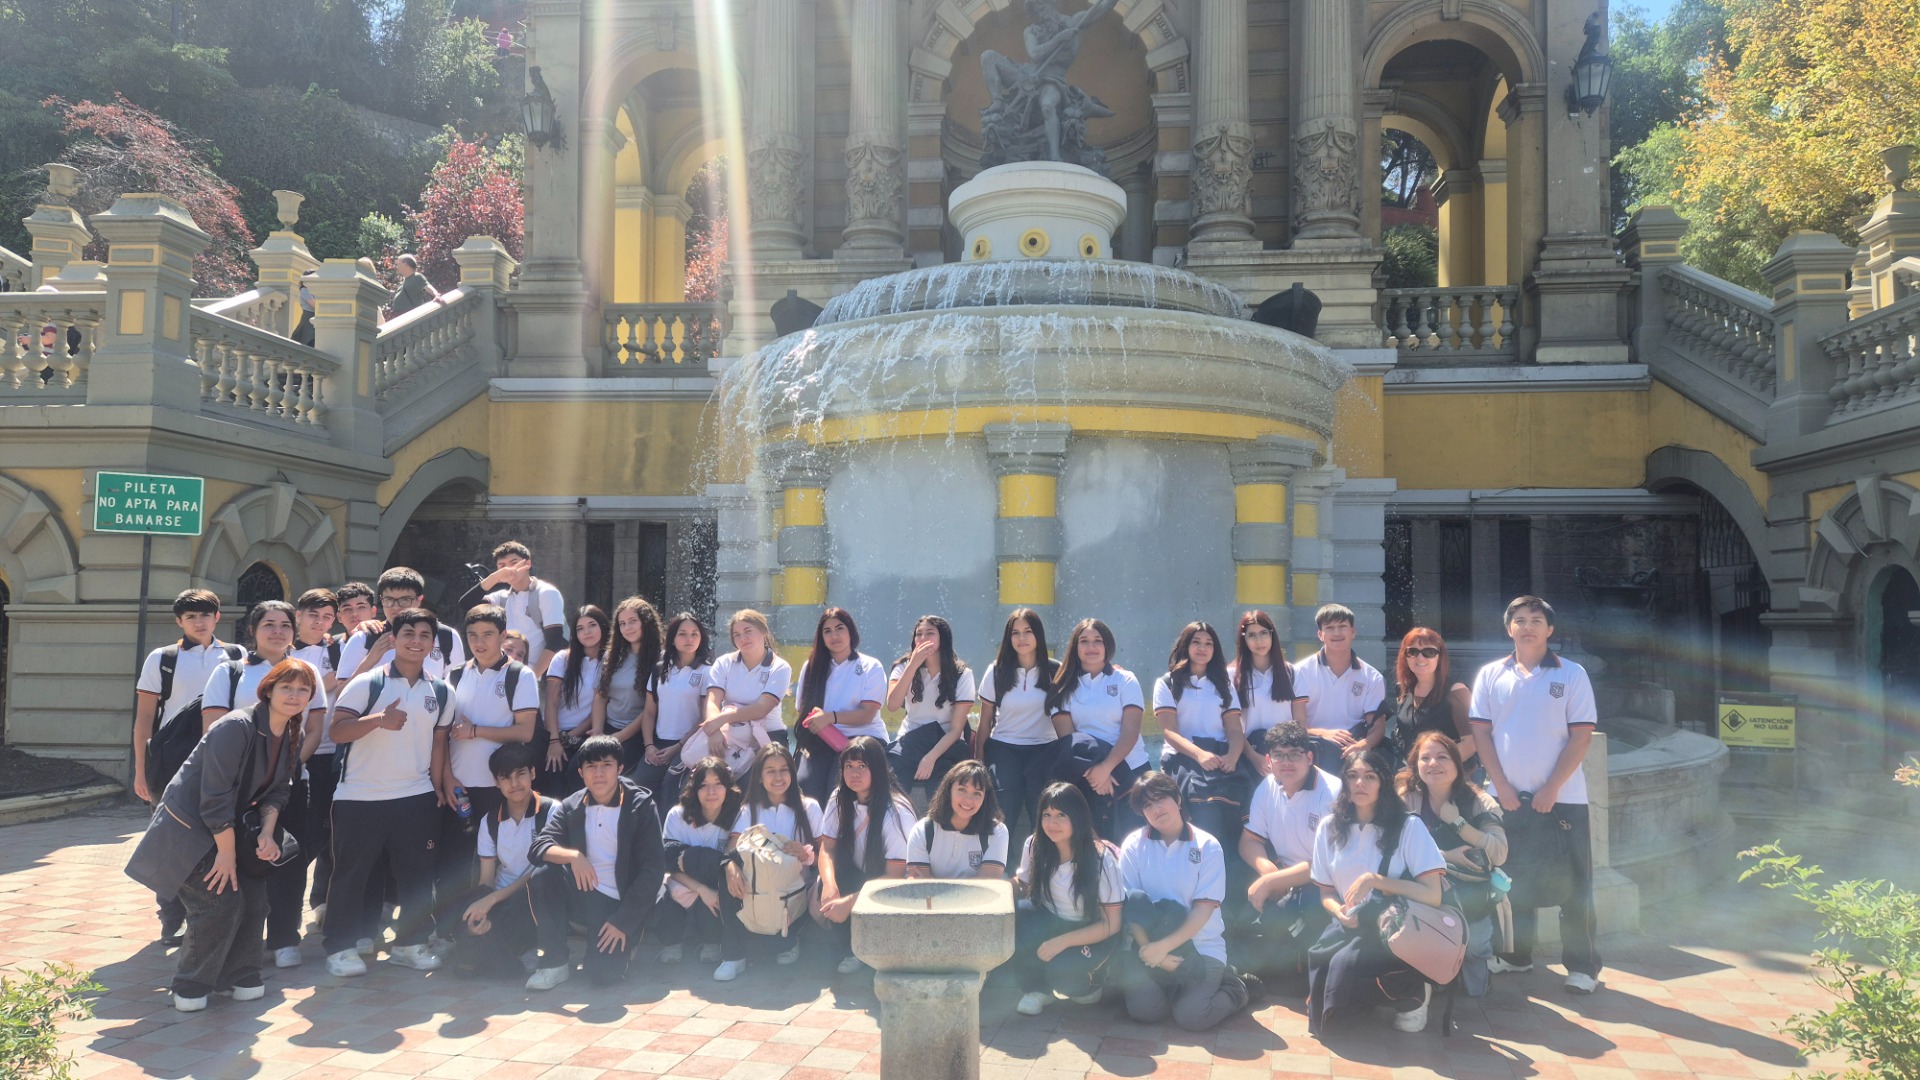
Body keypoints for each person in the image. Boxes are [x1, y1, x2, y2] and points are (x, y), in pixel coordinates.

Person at [126, 659, 315, 1011]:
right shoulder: (236, 726)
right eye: (286, 687)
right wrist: (226, 856)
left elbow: (278, 791)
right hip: (192, 830)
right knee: (219, 899)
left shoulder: (292, 731)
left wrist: (268, 835)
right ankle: (191, 983)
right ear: (268, 690)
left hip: (232, 829)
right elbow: (215, 797)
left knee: (255, 897)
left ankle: (239, 974)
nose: (294, 695)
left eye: (303, 689)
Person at [1469, 595, 1601, 994]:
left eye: (1536, 620)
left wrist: (1552, 787)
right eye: (1520, 620)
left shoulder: (1572, 674)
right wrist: (1502, 786)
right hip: (1504, 797)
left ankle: (1582, 966)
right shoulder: (1492, 674)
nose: (1527, 626)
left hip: (1564, 799)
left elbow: (1581, 736)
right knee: (1509, 881)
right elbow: (1481, 734)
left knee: (1575, 884)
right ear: (1508, 628)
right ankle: (1514, 955)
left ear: (1550, 629)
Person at [322, 608, 456, 977]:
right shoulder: (367, 683)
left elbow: (439, 743)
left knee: (417, 875)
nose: (416, 640)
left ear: (433, 644)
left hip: (415, 797)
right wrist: (379, 720)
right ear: (393, 639)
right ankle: (340, 949)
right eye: (408, 633)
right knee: (352, 875)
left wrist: (441, 785)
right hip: (359, 797)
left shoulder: (442, 691)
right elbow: (337, 731)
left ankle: (409, 944)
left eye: (424, 635)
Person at [203, 601, 328, 970]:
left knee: (289, 859)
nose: (278, 632)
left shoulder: (309, 672)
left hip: (289, 785)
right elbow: (212, 728)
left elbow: (315, 728)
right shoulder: (230, 673)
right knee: (237, 861)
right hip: (238, 789)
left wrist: (287, 769)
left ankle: (284, 937)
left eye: (285, 625)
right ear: (253, 630)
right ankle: (237, 938)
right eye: (269, 624)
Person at [1306, 746, 1448, 1036]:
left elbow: (1433, 894)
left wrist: (1376, 880)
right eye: (1353, 776)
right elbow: (1326, 893)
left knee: (1347, 967)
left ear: (1383, 781)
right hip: (1350, 923)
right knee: (1325, 976)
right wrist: (1340, 913)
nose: (1360, 783)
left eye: (1370, 776)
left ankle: (1414, 994)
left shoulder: (1408, 826)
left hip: (1395, 928)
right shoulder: (1329, 827)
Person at [132, 589, 245, 943]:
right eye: (191, 616)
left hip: (224, 758)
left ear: (218, 617)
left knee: (219, 835)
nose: (199, 621)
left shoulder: (236, 656)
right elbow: (145, 719)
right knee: (169, 840)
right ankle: (171, 914)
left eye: (206, 614)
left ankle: (214, 912)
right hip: (170, 761)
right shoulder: (162, 659)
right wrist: (140, 770)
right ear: (179, 621)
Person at [1115, 772, 1258, 1030]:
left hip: (1198, 948)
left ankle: (1237, 987)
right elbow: (1132, 906)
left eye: (1161, 799)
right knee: (1145, 1012)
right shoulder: (1133, 845)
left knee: (1192, 1018)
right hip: (1146, 947)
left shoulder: (1207, 846)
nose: (1156, 808)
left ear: (1177, 799)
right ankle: (1175, 993)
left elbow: (1203, 911)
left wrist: (1164, 948)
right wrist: (1153, 952)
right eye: (1147, 805)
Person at [524, 735, 668, 989]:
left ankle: (625, 942)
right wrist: (574, 856)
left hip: (621, 902)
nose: (599, 773)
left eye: (606, 765)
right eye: (591, 767)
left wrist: (624, 920)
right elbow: (538, 848)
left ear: (620, 769)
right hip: (585, 891)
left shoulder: (640, 805)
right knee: (543, 874)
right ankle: (554, 963)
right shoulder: (572, 805)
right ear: (581, 772)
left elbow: (653, 870)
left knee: (602, 975)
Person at [435, 605, 541, 945]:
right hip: (459, 788)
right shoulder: (453, 675)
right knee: (451, 865)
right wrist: (448, 778)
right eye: (472, 636)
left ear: (502, 635)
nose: (479, 643)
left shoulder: (518, 675)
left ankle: (497, 932)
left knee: (493, 866)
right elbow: (442, 735)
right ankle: (450, 932)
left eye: (488, 635)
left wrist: (477, 730)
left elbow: (525, 731)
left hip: (501, 790)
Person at [1400, 731, 1507, 998]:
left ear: (1457, 764)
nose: (1433, 763)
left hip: (1469, 891)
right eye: (1425, 758)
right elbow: (1393, 846)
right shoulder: (1406, 798)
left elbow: (1499, 852)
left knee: (1473, 956)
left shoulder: (1478, 800)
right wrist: (1446, 856)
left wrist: (1458, 822)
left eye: (1442, 757)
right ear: (1416, 766)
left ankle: (1474, 968)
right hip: (1423, 887)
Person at [1239, 722, 1342, 978]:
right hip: (1283, 874)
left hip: (1327, 882)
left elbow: (1326, 862)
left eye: (1294, 754)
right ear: (1268, 759)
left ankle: (1317, 977)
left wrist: (1274, 881)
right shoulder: (1267, 787)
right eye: (1279, 755)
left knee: (1311, 909)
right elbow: (1248, 842)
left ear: (1309, 757)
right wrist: (1269, 872)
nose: (1286, 762)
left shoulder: (1332, 791)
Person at [1011, 782, 1123, 1016]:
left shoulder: (1101, 858)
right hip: (1052, 919)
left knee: (1064, 977)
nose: (1052, 823)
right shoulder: (1034, 845)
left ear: (1078, 817)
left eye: (1061, 815)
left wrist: (1061, 942)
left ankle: (1091, 983)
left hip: (1091, 930)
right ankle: (1037, 990)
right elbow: (1021, 884)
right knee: (1019, 910)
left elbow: (1111, 923)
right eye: (1047, 814)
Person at [714, 743, 822, 980]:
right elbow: (733, 847)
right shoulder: (749, 810)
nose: (778, 777)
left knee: (778, 953)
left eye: (784, 770)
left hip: (793, 892)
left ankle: (791, 939)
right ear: (760, 777)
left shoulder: (809, 808)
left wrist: (805, 855)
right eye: (770, 771)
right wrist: (730, 866)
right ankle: (733, 956)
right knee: (726, 872)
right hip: (756, 892)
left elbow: (824, 852)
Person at [446, 743, 552, 979]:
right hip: (501, 900)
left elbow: (542, 872)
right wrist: (481, 909)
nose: (514, 784)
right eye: (506, 778)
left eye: (520, 774)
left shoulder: (552, 810)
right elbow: (486, 880)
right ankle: (485, 943)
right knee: (466, 904)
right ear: (496, 782)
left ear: (532, 774)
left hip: (537, 898)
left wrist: (491, 900)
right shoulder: (490, 821)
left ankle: (479, 955)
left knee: (539, 883)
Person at [814, 737, 915, 974]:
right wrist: (829, 886)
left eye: (862, 767)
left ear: (877, 769)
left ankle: (866, 950)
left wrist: (848, 903)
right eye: (849, 766)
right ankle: (849, 948)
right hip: (856, 875)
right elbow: (827, 848)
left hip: (888, 885)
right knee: (828, 881)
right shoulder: (840, 797)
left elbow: (895, 877)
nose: (854, 773)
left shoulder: (897, 812)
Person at [1045, 618, 1146, 840]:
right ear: (1075, 646)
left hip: (1130, 769)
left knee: (1131, 841)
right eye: (1084, 641)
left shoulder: (1125, 680)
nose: (1091, 647)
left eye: (1097, 641)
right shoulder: (1062, 687)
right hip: (1087, 772)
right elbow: (1069, 740)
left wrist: (1107, 768)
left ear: (1107, 645)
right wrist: (1095, 772)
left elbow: (1130, 732)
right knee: (1095, 843)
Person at [1152, 621, 1249, 847]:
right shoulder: (1167, 682)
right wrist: (1199, 755)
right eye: (1196, 642)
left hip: (1220, 757)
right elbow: (1169, 731)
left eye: (1208, 643)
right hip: (1182, 757)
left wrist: (1232, 757)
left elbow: (1235, 729)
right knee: (1201, 810)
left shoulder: (1223, 684)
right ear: (1185, 646)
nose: (1202, 648)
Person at [974, 608, 1066, 839]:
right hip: (1004, 746)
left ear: (1038, 635)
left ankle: (1041, 865)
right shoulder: (996, 671)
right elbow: (985, 721)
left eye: (1028, 631)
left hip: (1044, 748)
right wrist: (978, 763)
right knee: (1004, 802)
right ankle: (1000, 865)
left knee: (1042, 801)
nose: (1022, 638)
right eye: (1016, 633)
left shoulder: (1056, 670)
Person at [290, 588, 345, 932]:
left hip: (331, 752)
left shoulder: (339, 649)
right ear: (298, 616)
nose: (319, 622)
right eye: (313, 615)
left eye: (326, 616)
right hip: (292, 755)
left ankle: (322, 901)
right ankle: (283, 906)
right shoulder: (283, 649)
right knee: (301, 834)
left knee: (332, 831)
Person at [793, 607, 889, 803]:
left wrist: (830, 717)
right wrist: (817, 719)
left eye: (839, 629)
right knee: (805, 785)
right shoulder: (811, 667)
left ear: (851, 632)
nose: (834, 636)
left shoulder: (871, 666)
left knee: (836, 787)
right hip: (822, 738)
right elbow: (801, 711)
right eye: (827, 631)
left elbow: (867, 714)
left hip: (862, 738)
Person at [653, 757, 740, 965]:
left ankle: (712, 941)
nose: (711, 792)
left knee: (718, 888)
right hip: (683, 880)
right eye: (704, 786)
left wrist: (708, 889)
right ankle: (671, 942)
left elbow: (731, 861)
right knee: (661, 893)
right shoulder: (677, 815)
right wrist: (700, 889)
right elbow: (669, 862)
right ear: (694, 788)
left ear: (727, 786)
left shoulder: (738, 814)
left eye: (718, 784)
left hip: (715, 880)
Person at [885, 615, 976, 802]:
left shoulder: (962, 674)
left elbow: (956, 729)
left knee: (943, 787)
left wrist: (930, 757)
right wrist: (914, 664)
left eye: (930, 633)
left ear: (943, 638)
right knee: (892, 780)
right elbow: (893, 705)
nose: (923, 638)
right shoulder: (903, 667)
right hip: (910, 739)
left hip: (945, 743)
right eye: (919, 634)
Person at [1291, 604, 1387, 773]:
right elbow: (1296, 725)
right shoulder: (1300, 672)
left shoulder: (1372, 677)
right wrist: (1324, 734)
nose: (1336, 633)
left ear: (1353, 632)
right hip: (1312, 746)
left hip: (1354, 746)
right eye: (1329, 628)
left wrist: (1363, 745)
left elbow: (1377, 727)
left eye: (1342, 626)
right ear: (1320, 634)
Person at [698, 610, 792, 776]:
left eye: (748, 631)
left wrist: (724, 718)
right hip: (731, 733)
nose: (743, 638)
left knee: (753, 784)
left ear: (764, 631)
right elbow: (712, 701)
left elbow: (761, 709)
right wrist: (714, 730)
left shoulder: (780, 667)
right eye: (737, 635)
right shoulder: (724, 662)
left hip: (768, 736)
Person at [336, 567, 466, 683]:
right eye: (389, 600)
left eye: (405, 600)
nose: (396, 607)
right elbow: (340, 695)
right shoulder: (364, 638)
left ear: (419, 600)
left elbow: (457, 688)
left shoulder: (446, 637)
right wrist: (369, 661)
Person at [463, 541, 567, 676]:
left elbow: (555, 642)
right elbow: (466, 605)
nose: (509, 570)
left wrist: (532, 678)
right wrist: (494, 578)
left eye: (514, 563)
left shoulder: (546, 593)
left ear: (527, 564)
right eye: (502, 566)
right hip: (501, 675)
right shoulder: (500, 598)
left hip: (534, 676)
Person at [645, 612, 713, 804]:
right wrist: (649, 746)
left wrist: (678, 747)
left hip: (688, 745)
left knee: (670, 788)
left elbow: (704, 718)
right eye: (682, 634)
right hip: (658, 744)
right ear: (672, 638)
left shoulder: (707, 672)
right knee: (636, 785)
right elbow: (649, 713)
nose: (689, 639)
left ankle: (667, 834)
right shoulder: (660, 670)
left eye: (695, 634)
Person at [1231, 610, 1309, 778]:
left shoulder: (1292, 673)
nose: (1259, 641)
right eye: (1252, 635)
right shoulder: (1232, 676)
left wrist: (1291, 754)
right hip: (1250, 753)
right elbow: (1231, 727)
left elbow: (1300, 721)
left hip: (1286, 751)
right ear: (1243, 639)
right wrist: (1254, 757)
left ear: (1272, 635)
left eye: (1264, 633)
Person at [541, 605, 607, 799]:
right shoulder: (563, 658)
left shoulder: (610, 661)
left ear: (602, 626)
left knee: (577, 777)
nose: (586, 632)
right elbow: (551, 701)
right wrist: (555, 739)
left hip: (584, 735)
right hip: (553, 734)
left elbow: (599, 705)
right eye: (580, 628)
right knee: (552, 780)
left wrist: (570, 736)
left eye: (592, 625)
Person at [906, 760, 1008, 880]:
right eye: (962, 790)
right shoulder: (922, 830)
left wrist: (937, 885)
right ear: (948, 791)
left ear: (985, 798)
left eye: (977, 793)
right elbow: (921, 887)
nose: (968, 800)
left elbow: (988, 885)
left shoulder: (997, 831)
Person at [592, 596, 662, 771]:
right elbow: (600, 697)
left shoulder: (660, 659)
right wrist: (598, 732)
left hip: (638, 734)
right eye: (622, 624)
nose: (627, 628)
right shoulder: (612, 656)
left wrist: (619, 737)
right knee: (576, 769)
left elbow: (649, 709)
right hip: (608, 728)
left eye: (632, 621)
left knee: (611, 771)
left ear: (645, 622)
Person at [1386, 628, 1474, 766]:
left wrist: (1435, 767)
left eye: (1429, 652)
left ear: (1440, 657)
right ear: (1405, 656)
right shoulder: (1404, 690)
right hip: (1413, 775)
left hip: (1451, 777)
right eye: (1412, 652)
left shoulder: (1456, 691)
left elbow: (1471, 742)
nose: (1420, 658)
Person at [385, 254, 443, 319]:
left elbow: (428, 287)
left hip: (408, 317)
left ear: (405, 265)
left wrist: (437, 295)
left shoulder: (417, 277)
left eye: (398, 263)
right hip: (399, 317)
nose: (397, 266)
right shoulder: (405, 280)